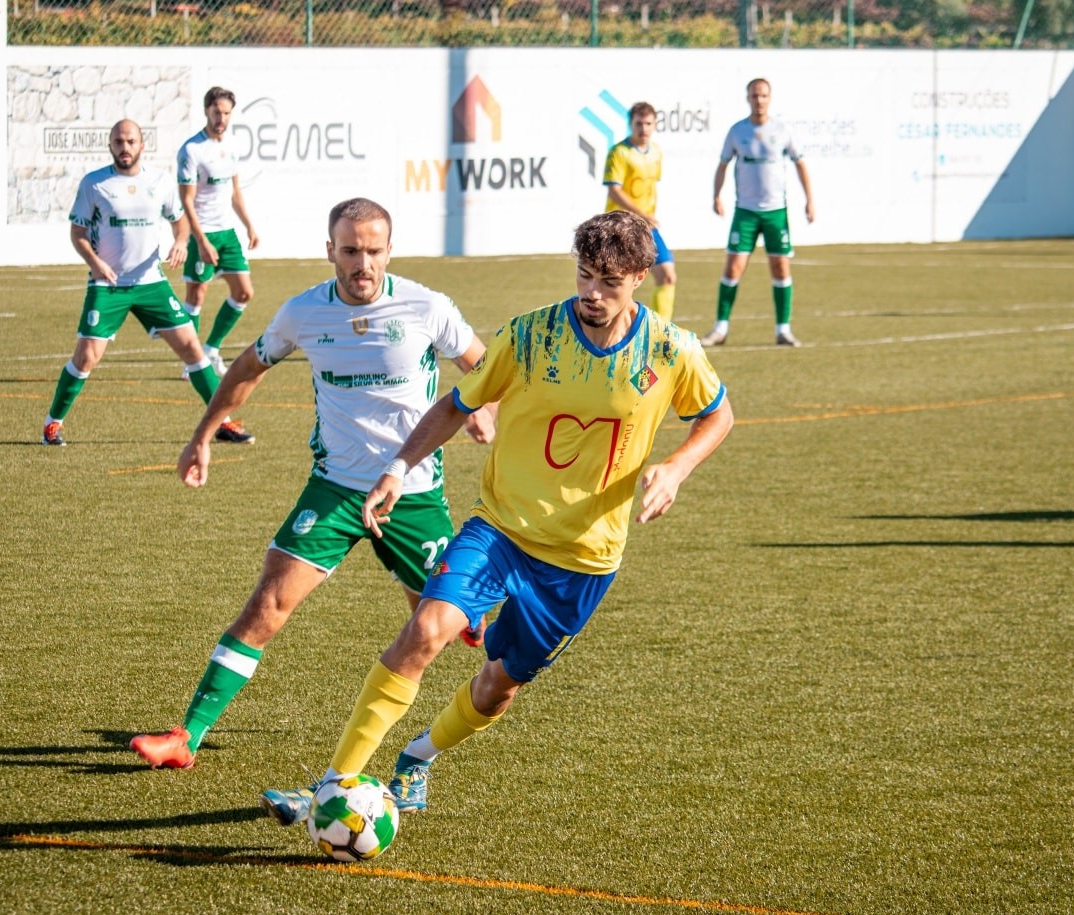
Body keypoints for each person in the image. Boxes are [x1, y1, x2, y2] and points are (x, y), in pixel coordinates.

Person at [262, 210, 733, 826]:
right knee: (426, 631)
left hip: (582, 559)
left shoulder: (672, 349)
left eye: (609, 282)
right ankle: (333, 784)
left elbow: (717, 416)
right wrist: (398, 469)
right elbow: (457, 404)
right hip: (500, 530)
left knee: (497, 688)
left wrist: (674, 469)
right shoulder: (531, 336)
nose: (592, 293)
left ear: (640, 278)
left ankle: (417, 757)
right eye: (584, 276)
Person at [130, 198, 494, 795]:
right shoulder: (305, 313)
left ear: (389, 250)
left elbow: (481, 365)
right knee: (268, 604)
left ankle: (441, 692)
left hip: (415, 493)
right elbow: (249, 366)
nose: (362, 263)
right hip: (335, 490)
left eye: (373, 250)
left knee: (437, 629)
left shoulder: (427, 307)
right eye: (350, 250)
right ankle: (187, 737)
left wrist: (484, 411)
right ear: (331, 251)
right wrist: (203, 436)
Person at [42, 119, 253, 446]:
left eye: (130, 141)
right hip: (108, 285)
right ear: (110, 146)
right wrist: (95, 263)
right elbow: (78, 232)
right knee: (86, 358)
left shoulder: (159, 181)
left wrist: (181, 242)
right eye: (118, 142)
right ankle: (53, 423)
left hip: (151, 282)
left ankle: (222, 422)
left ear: (141, 145)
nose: (124, 148)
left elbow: (179, 221)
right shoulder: (95, 184)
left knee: (193, 349)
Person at [703, 77, 815, 348]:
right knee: (733, 267)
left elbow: (800, 164)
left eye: (763, 95)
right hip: (746, 212)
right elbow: (723, 164)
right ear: (748, 98)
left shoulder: (782, 129)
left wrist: (809, 200)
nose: (759, 100)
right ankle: (720, 329)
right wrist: (717, 195)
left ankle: (783, 330)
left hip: (776, 212)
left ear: (770, 98)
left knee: (780, 268)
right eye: (754, 96)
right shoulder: (737, 131)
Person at [178, 86, 261, 376]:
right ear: (206, 111)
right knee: (196, 297)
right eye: (216, 112)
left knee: (244, 292)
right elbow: (186, 200)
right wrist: (200, 240)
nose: (221, 118)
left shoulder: (233, 146)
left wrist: (249, 225)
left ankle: (211, 349)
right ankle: (192, 362)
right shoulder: (192, 150)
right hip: (202, 232)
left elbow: (235, 192)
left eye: (226, 113)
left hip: (227, 233)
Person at [603, 101, 677, 323]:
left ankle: (662, 332)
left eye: (648, 123)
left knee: (667, 276)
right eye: (638, 124)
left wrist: (647, 217)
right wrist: (641, 214)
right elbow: (614, 190)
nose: (643, 129)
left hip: (645, 228)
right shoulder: (619, 152)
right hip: (619, 226)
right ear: (630, 124)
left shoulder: (656, 152)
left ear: (654, 125)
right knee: (616, 284)